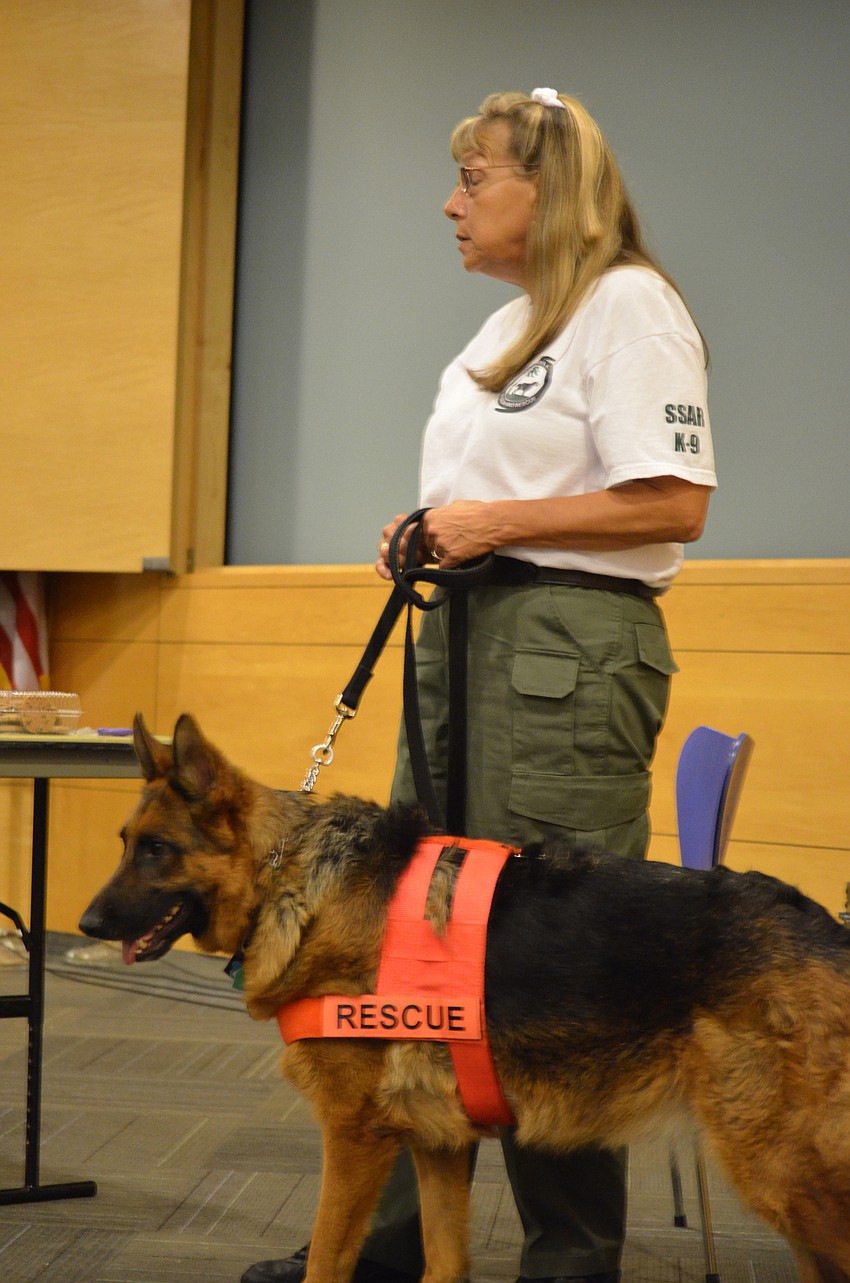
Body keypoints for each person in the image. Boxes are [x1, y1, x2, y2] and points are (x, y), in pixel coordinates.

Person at [243, 87, 715, 1283]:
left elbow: (673, 501)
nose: (451, 204)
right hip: (465, 638)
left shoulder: (629, 306)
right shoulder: (504, 332)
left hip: (563, 650)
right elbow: (492, 502)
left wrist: (493, 518)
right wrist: (428, 528)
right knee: (414, 940)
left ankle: (567, 1254)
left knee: (548, 943)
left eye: (475, 178)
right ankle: (390, 1239)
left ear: (547, 192)